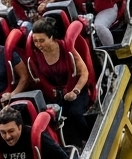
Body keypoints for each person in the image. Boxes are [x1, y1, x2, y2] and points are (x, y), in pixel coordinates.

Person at [27, 16, 93, 146]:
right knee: (47, 117)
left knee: (74, 113)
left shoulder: (66, 50)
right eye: (35, 41)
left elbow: (84, 73)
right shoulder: (36, 54)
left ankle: (88, 139)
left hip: (76, 90)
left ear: (51, 37)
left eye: (42, 40)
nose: (38, 45)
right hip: (54, 95)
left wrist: (75, 91)